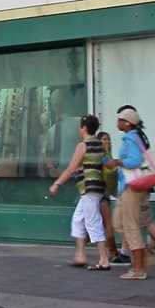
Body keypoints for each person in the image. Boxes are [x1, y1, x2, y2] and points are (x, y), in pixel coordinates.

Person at [112, 106, 155, 279]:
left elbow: (135, 161)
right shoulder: (135, 137)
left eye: (120, 119)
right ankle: (145, 257)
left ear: (127, 123)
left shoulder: (130, 138)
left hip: (132, 187)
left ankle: (139, 268)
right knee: (121, 223)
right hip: (134, 187)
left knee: (130, 226)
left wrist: (117, 162)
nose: (118, 122)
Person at [48, 114, 111, 270]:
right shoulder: (99, 144)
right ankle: (80, 256)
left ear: (83, 128)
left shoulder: (83, 145)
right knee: (77, 219)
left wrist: (57, 183)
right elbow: (100, 163)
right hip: (96, 187)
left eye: (80, 126)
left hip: (89, 187)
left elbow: (71, 168)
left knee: (92, 222)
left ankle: (104, 259)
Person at [97, 132, 120, 261]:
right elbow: (110, 167)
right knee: (108, 222)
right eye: (104, 139)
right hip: (101, 192)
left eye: (108, 139)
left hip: (106, 192)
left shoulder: (107, 154)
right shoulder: (102, 156)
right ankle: (113, 251)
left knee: (101, 222)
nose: (107, 142)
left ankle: (82, 242)